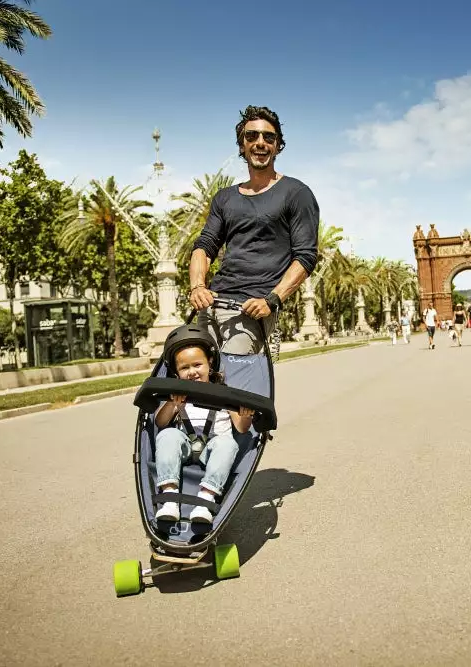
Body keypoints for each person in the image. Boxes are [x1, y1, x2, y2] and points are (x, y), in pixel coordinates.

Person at [189, 105, 319, 354]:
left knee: (231, 380)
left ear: (278, 145)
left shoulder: (296, 193)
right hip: (212, 303)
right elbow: (204, 247)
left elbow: (306, 256)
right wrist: (197, 287)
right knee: (196, 380)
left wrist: (272, 300)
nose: (260, 142)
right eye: (252, 136)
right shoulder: (224, 197)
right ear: (242, 145)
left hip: (252, 309)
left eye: (268, 137)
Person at [153, 326, 254, 524]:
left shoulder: (226, 394)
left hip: (213, 449)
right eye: (184, 368)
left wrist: (246, 415)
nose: (192, 372)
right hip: (185, 447)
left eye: (197, 365)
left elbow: (241, 429)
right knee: (168, 435)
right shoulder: (177, 394)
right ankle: (170, 499)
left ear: (209, 363)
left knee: (228, 444)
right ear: (176, 372)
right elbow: (160, 422)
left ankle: (205, 499)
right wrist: (173, 404)